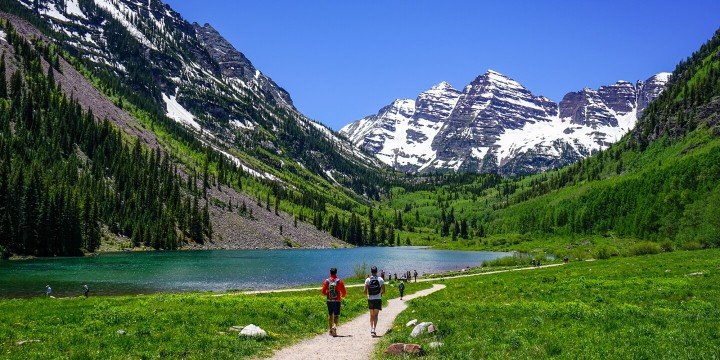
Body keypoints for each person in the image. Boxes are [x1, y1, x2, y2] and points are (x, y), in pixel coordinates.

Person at [321, 267, 346, 337]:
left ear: (330, 272)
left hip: (329, 300)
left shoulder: (327, 281)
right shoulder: (339, 281)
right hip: (337, 301)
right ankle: (334, 327)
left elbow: (323, 291)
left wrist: (328, 294)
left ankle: (330, 330)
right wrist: (341, 296)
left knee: (330, 315)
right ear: (336, 272)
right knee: (336, 315)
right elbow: (344, 292)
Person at [364, 266, 386, 336]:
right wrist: (380, 294)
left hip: (370, 299)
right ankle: (374, 329)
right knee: (376, 315)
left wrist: (368, 295)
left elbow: (364, 291)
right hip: (378, 299)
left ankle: (371, 328)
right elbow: (384, 291)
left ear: (371, 271)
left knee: (371, 315)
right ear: (377, 271)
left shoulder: (368, 280)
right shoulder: (380, 279)